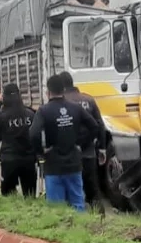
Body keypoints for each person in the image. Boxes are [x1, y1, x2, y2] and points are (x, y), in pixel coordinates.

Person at [30, 74, 100, 211]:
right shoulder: (75, 108)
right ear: (63, 90)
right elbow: (95, 126)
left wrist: (41, 152)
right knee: (78, 204)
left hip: (54, 165)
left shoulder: (43, 111)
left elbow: (33, 133)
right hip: (74, 163)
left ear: (48, 92)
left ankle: (60, 232)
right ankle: (79, 231)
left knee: (57, 209)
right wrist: (81, 145)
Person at [59, 71, 107, 206]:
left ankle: (75, 221)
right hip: (89, 153)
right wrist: (102, 148)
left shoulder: (61, 102)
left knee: (70, 192)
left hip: (68, 155)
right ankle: (100, 222)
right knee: (93, 190)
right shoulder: (89, 100)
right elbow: (99, 125)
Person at [0, 83, 37, 197]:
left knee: (8, 196)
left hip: (10, 160)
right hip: (28, 160)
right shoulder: (30, 114)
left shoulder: (2, 115)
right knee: (30, 196)